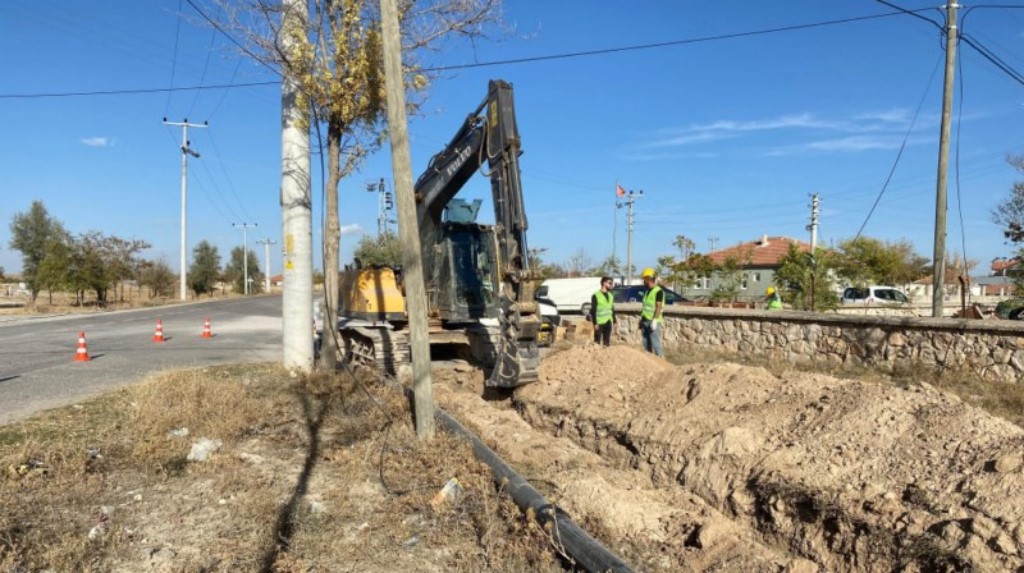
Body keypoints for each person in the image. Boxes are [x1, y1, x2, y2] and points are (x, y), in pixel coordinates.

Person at [638, 268, 664, 356]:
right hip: (645, 319)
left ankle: (661, 360)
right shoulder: (647, 291)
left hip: (653, 320)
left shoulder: (658, 291)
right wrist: (641, 320)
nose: (643, 282)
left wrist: (655, 320)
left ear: (648, 278)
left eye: (644, 279)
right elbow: (645, 307)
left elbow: (658, 306)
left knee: (655, 342)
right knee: (646, 342)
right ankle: (649, 361)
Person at [590, 276, 616, 346]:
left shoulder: (611, 296)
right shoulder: (596, 295)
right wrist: (595, 323)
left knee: (607, 343)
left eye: (612, 283)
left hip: (608, 321)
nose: (611, 285)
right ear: (604, 283)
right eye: (610, 283)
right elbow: (593, 310)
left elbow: (612, 309)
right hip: (599, 322)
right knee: (597, 342)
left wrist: (615, 321)